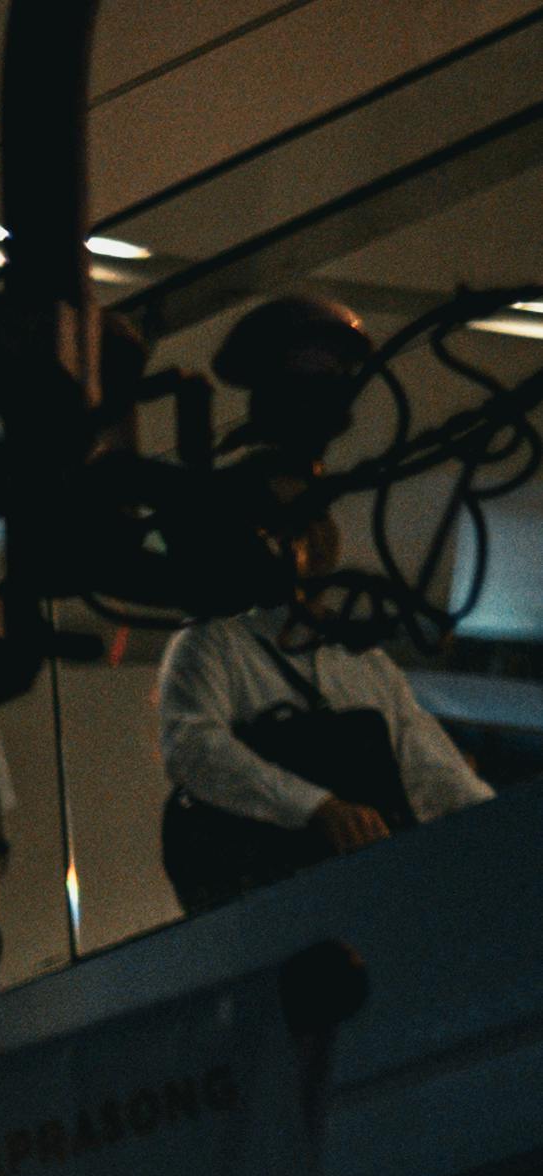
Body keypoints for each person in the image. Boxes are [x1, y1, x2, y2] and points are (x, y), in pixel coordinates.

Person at [159, 295, 489, 914]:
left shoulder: (359, 661)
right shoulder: (211, 646)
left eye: (311, 520)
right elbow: (193, 748)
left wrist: (503, 833)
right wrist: (315, 809)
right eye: (284, 522)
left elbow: (431, 771)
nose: (302, 540)